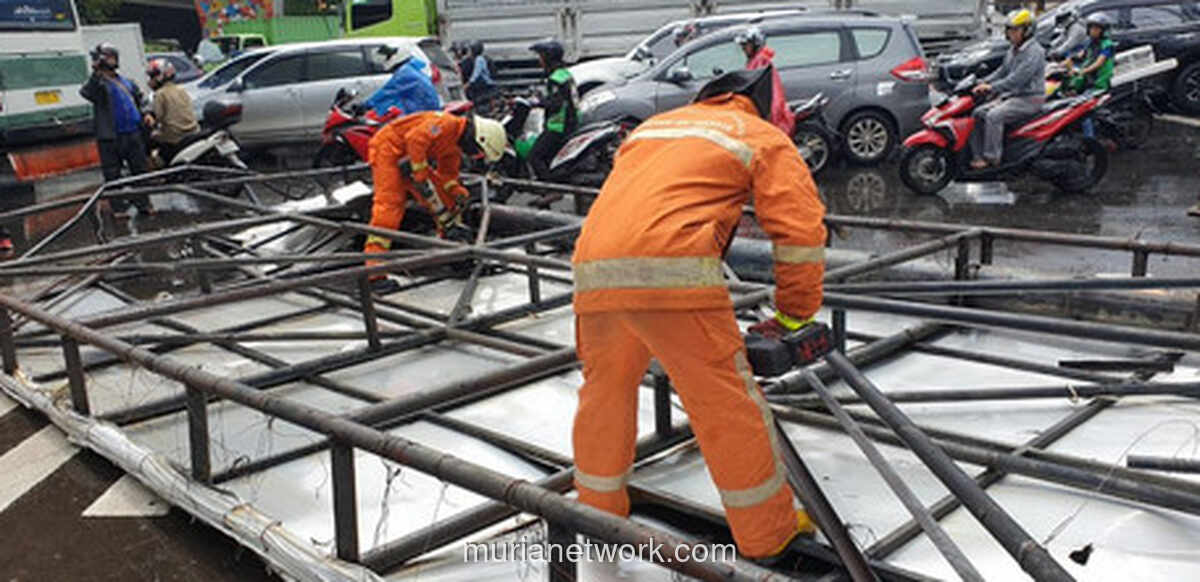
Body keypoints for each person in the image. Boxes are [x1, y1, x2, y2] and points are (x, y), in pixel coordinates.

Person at [570, 67, 826, 563]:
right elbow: (800, 233)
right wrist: (795, 314)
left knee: (604, 395)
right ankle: (768, 537)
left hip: (593, 270)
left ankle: (597, 514)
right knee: (726, 406)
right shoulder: (757, 134)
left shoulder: (654, 128)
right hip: (673, 274)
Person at [363, 112, 505, 285]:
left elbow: (447, 175)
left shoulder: (454, 144)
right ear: (478, 138)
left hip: (410, 156)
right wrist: (420, 173)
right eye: (478, 152)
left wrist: (454, 189)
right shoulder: (445, 124)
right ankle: (374, 273)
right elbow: (415, 139)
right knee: (390, 206)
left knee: (447, 201)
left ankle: (454, 249)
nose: (475, 155)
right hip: (388, 150)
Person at [79, 42, 153, 217]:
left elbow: (141, 100)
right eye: (108, 57)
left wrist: (147, 113)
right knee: (113, 174)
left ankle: (143, 203)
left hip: (133, 133)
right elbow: (87, 92)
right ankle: (119, 208)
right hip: (110, 137)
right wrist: (96, 72)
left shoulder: (127, 82)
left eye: (113, 56)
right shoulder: (98, 84)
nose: (112, 60)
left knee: (140, 170)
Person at [969, 9, 1046, 170]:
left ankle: (992, 159)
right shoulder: (1013, 49)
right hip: (1013, 97)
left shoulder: (1034, 52)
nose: (1010, 33)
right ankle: (977, 155)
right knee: (977, 113)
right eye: (1009, 30)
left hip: (1029, 99)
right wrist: (982, 82)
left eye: (1015, 30)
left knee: (994, 116)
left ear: (1027, 31)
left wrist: (991, 87)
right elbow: (1002, 71)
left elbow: (1017, 80)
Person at [528, 39, 578, 180]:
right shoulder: (565, 74)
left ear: (548, 57)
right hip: (571, 121)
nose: (540, 61)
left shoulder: (555, 78)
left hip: (558, 125)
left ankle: (549, 188)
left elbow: (556, 104)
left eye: (541, 56)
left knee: (534, 157)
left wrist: (537, 102)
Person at [735, 26, 796, 137]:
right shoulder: (755, 59)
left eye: (746, 45)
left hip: (768, 106)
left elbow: (753, 80)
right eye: (742, 46)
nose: (743, 48)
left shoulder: (760, 60)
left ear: (756, 44)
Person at [1064, 13, 1115, 138]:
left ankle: (1089, 139)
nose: (1093, 31)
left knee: (1082, 111)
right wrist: (1064, 61)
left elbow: (1099, 63)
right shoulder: (1090, 42)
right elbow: (1080, 55)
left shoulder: (1107, 45)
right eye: (1091, 28)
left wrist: (1083, 71)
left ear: (1103, 31)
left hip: (1099, 82)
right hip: (1087, 80)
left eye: (1096, 28)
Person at [144, 58, 200, 165]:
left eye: (152, 77)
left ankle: (157, 168)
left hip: (174, 137)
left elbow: (157, 117)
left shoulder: (160, 94)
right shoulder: (181, 90)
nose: (150, 81)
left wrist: (149, 119)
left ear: (160, 76)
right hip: (192, 131)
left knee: (148, 142)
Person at [362, 48, 442, 122]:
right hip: (426, 112)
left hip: (421, 115)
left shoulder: (405, 74)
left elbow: (388, 92)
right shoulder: (411, 69)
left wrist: (366, 105)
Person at [465, 41, 497, 106]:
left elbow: (476, 73)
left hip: (485, 85)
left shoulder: (479, 59)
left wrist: (468, 84)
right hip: (486, 85)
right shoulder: (480, 58)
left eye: (470, 50)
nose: (469, 52)